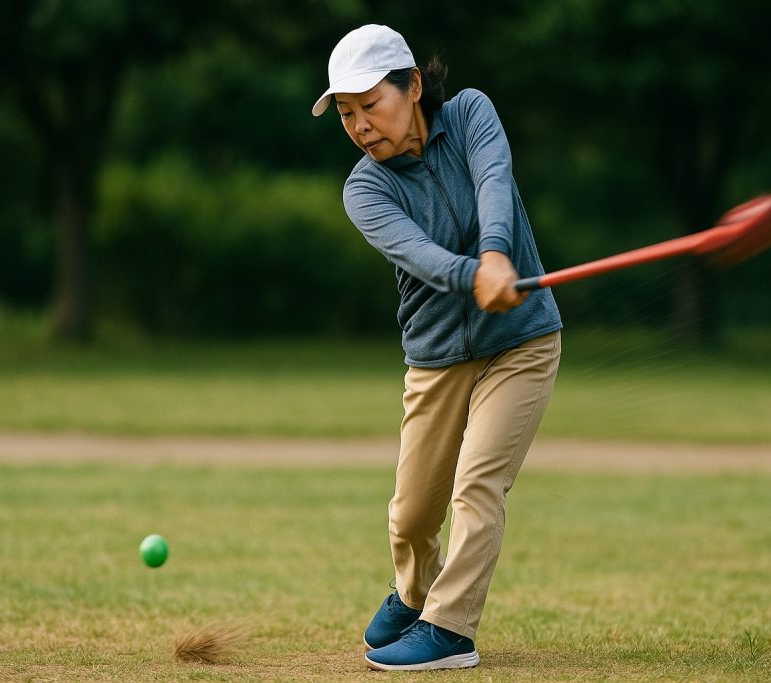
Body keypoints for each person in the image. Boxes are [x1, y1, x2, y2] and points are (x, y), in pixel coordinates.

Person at [311, 24, 562, 671]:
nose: (360, 125)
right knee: (411, 514)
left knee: (476, 486)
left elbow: (494, 184)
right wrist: (474, 273)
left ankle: (449, 628)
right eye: (346, 114)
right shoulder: (364, 188)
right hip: (436, 357)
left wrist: (498, 252)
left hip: (522, 341)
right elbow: (418, 255)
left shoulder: (471, 112)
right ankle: (412, 590)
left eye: (372, 105)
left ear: (414, 86)